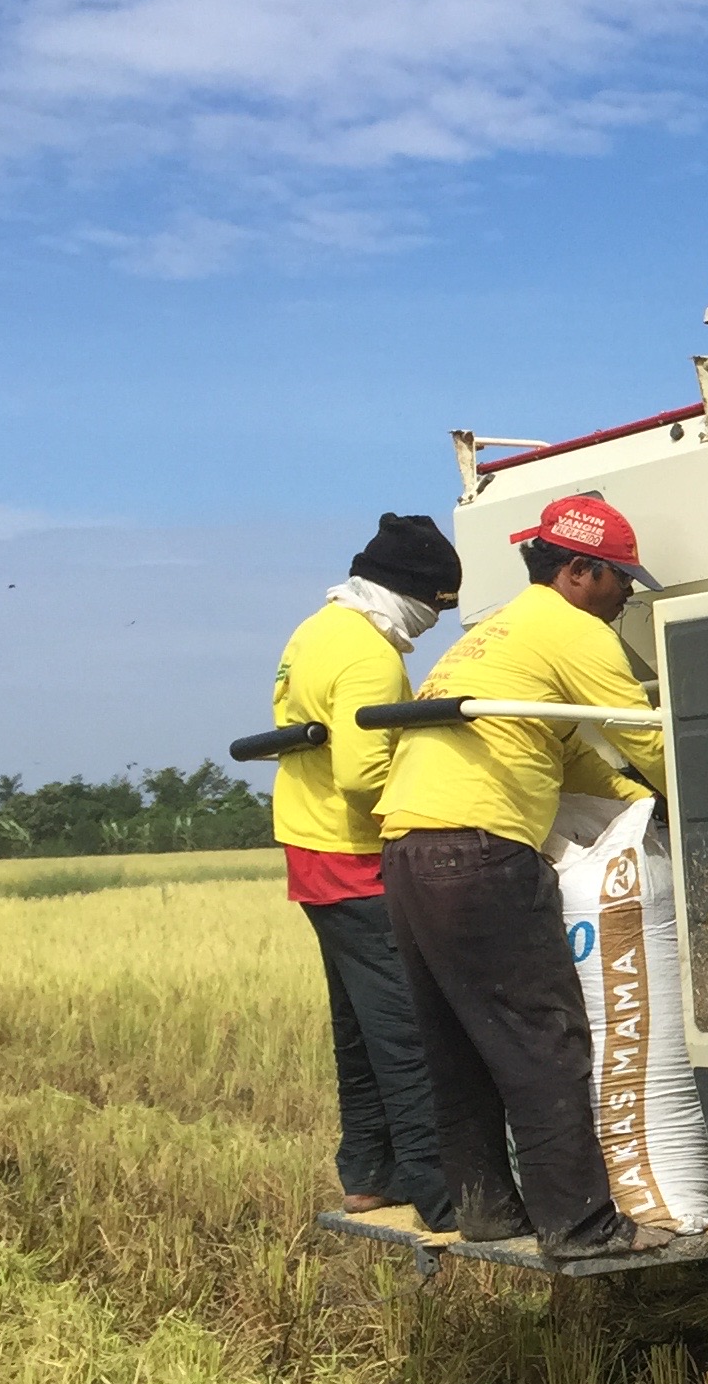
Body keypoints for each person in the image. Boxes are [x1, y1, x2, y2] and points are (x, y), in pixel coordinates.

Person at [377, 493, 672, 1253]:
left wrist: (640, 803)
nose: (629, 594)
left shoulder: (497, 632)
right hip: (478, 853)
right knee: (546, 1040)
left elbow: (569, 750)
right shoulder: (574, 630)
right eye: (620, 580)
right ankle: (581, 1225)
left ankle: (488, 1212)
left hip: (409, 851)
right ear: (579, 571)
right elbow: (647, 739)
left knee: (460, 1046)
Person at [272, 512, 464, 1229]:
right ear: (411, 592)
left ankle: (368, 1172)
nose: (429, 626)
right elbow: (362, 773)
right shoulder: (370, 656)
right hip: (354, 857)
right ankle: (440, 1193)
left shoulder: (314, 630)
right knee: (406, 1028)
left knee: (357, 1024)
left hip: (309, 844)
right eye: (434, 608)